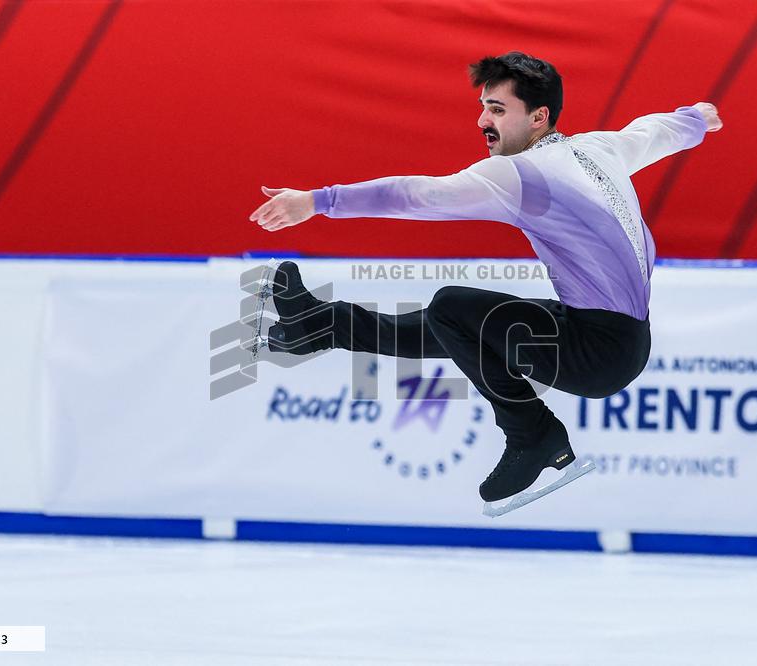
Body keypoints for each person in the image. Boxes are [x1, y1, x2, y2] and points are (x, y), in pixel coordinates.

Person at [248, 51, 722, 505]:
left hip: (594, 353)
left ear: (538, 118)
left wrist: (318, 200)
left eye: (497, 109)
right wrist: (697, 118)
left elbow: (418, 196)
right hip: (610, 339)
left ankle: (532, 436)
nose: (482, 122)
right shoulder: (601, 148)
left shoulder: (519, 174)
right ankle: (320, 325)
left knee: (452, 306)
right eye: (482, 108)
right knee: (452, 326)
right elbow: (655, 131)